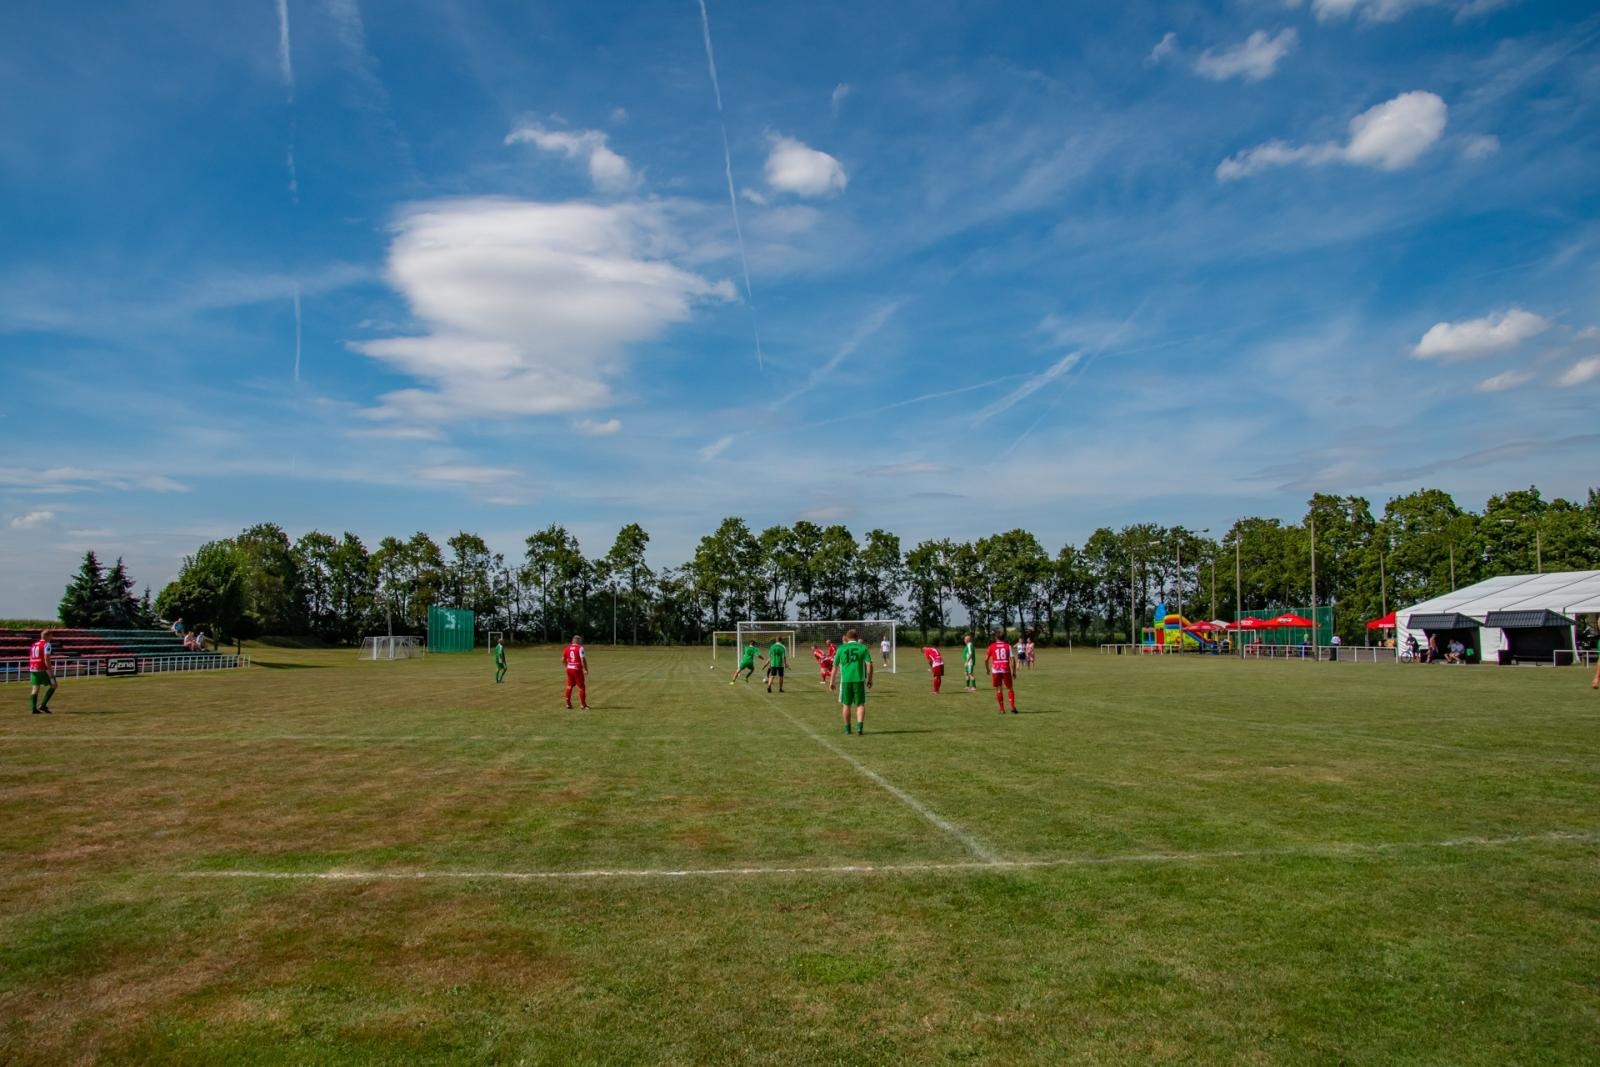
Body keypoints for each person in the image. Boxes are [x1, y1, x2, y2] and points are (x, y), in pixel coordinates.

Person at [830, 628, 873, 734]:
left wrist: (832, 681)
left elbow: (834, 667)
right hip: (859, 680)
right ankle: (859, 728)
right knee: (860, 704)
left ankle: (848, 729)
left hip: (846, 681)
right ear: (857, 637)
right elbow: (869, 664)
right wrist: (870, 679)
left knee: (846, 705)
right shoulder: (863, 647)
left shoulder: (841, 648)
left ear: (847, 638)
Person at [986, 628, 1017, 714]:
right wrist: (1014, 671)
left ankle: (1002, 709)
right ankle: (1012, 706)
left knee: (999, 689)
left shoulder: (992, 646)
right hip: (1006, 669)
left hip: (996, 670)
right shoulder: (1008, 646)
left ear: (996, 637)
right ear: (1004, 637)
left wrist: (988, 669)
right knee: (1010, 688)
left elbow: (986, 659)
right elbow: (1013, 659)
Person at [29, 630, 57, 714]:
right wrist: (50, 670)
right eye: (51, 636)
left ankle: (34, 709)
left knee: (35, 688)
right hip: (42, 668)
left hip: (33, 668)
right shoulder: (47, 644)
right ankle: (43, 705)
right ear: (47, 636)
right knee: (54, 685)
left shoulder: (34, 644)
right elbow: (46, 658)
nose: (52, 637)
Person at [562, 634, 589, 709]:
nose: (581, 641)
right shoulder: (580, 648)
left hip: (569, 669)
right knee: (581, 687)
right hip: (577, 669)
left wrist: (567, 666)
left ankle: (568, 704)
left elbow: (562, 659)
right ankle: (583, 705)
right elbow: (582, 659)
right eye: (580, 640)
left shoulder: (567, 648)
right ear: (578, 640)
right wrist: (585, 669)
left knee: (569, 686)